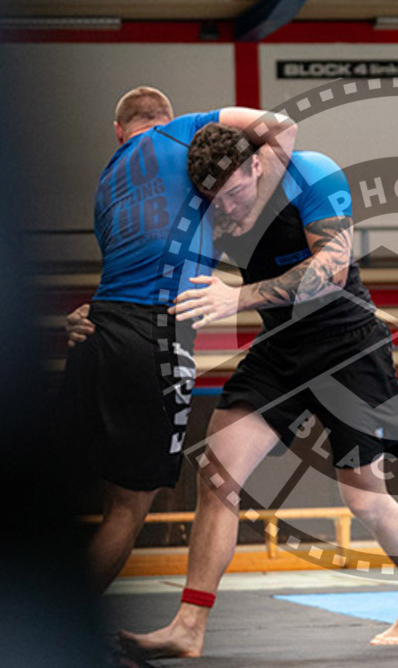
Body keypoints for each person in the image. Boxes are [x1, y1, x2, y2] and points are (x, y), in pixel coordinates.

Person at [116, 122, 398, 659]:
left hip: (349, 347)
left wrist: (238, 298)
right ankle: (189, 626)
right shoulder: (208, 205)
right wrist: (95, 312)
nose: (229, 210)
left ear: (257, 166)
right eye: (215, 201)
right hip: (282, 347)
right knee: (216, 473)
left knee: (364, 497)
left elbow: (331, 271)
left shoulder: (309, 172)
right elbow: (153, 277)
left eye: (237, 194)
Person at [61, 87, 297, 595]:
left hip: (95, 334)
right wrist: (251, 213)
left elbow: (131, 258)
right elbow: (282, 125)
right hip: (153, 343)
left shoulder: (107, 180)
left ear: (118, 132)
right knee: (125, 513)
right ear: (170, 120)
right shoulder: (185, 131)